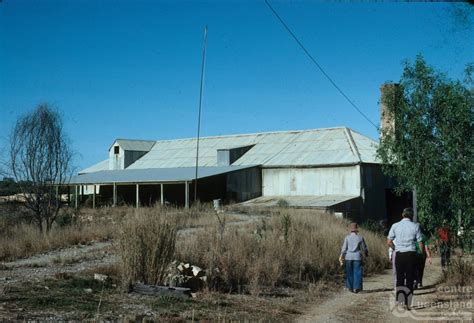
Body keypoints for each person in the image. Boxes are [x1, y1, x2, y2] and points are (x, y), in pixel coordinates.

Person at [387, 208, 423, 310]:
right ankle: (408, 302)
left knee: (400, 278)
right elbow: (420, 242)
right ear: (411, 216)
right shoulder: (416, 226)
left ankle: (400, 300)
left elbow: (389, 242)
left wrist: (395, 248)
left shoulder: (395, 225)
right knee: (410, 279)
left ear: (402, 215)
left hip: (400, 255)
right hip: (411, 255)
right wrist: (421, 254)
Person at [339, 222, 369, 293]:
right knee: (357, 272)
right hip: (357, 257)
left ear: (351, 230)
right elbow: (364, 248)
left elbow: (344, 248)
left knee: (349, 272)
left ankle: (350, 287)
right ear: (356, 230)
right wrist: (366, 254)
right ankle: (356, 288)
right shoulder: (360, 238)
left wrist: (341, 256)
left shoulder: (347, 238)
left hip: (348, 257)